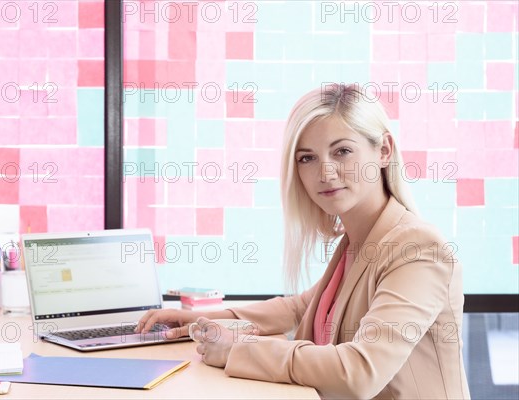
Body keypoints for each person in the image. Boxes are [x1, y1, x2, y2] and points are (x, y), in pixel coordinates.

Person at [136, 84, 470, 399]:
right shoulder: (359, 240)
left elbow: (360, 371)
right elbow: (301, 307)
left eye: (342, 151)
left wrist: (238, 349)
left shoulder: (417, 249)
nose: (325, 172)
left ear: (383, 150)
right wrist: (206, 320)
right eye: (307, 158)